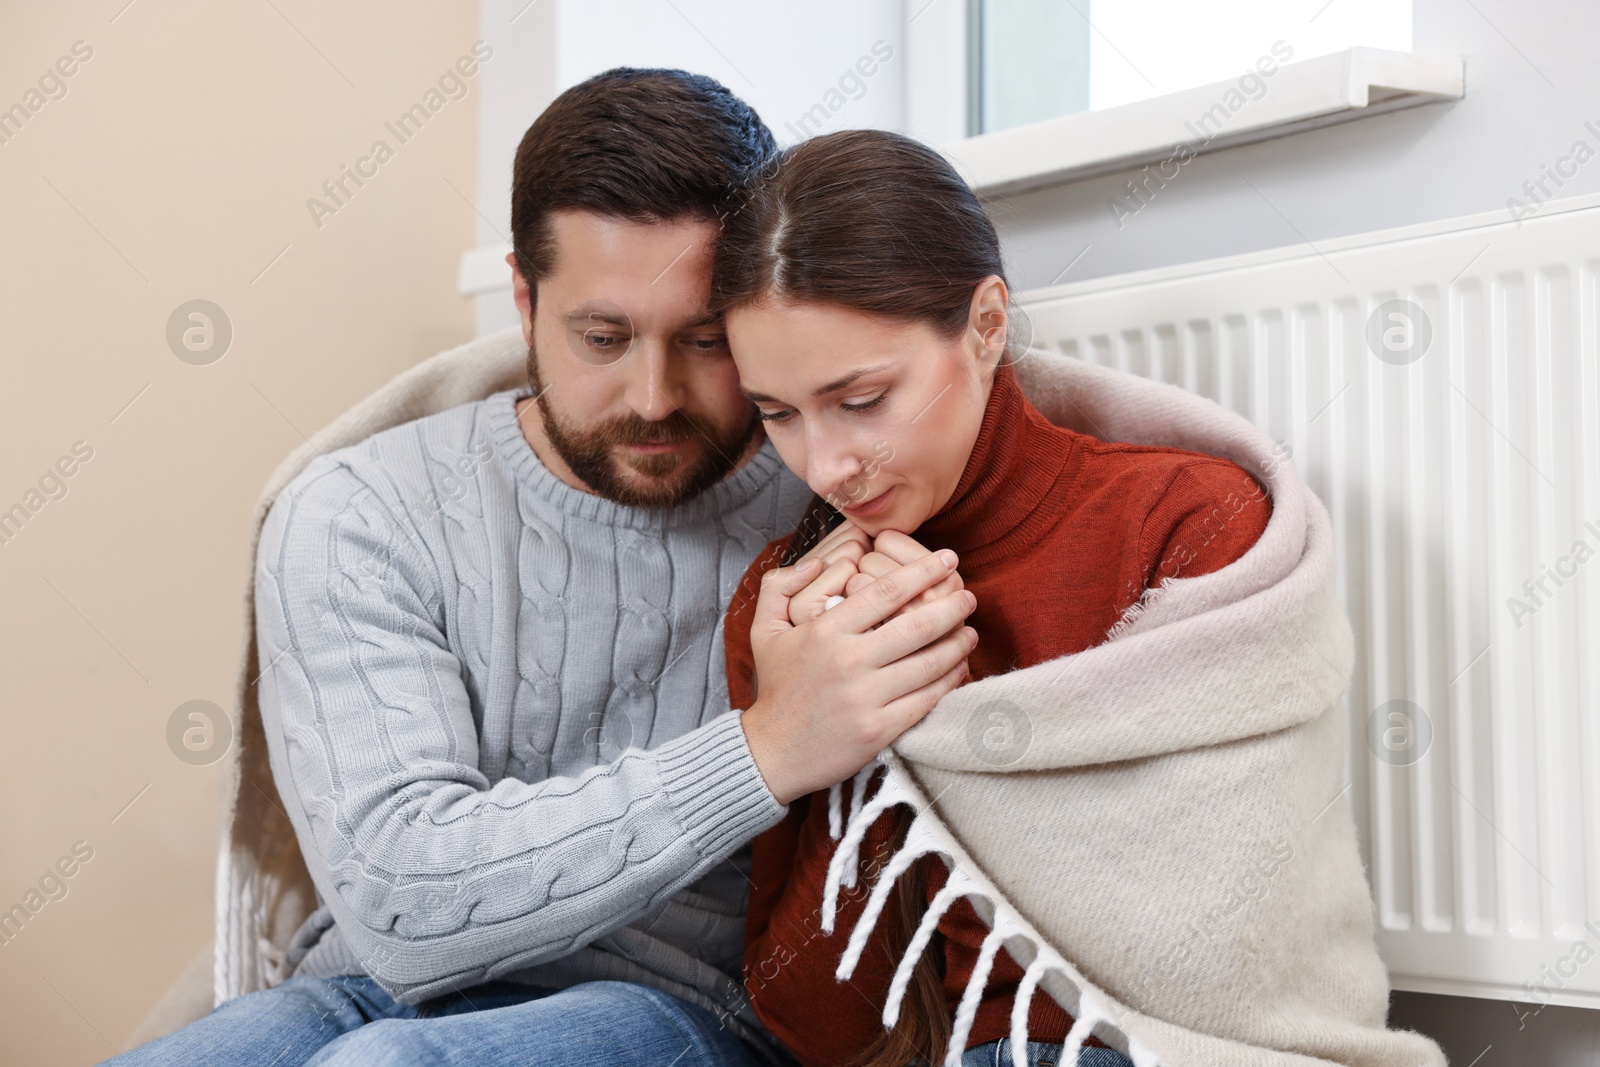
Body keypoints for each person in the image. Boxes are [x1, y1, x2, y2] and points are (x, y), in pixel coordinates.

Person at [102, 72, 976, 1067]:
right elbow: (400, 902)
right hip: (370, 982)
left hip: (684, 1010)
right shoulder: (362, 510)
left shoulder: (832, 494)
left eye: (702, 339)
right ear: (523, 298)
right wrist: (763, 748)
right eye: (602, 338)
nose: (654, 396)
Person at [713, 130, 1272, 1067]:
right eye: (777, 413)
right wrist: (833, 737)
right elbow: (816, 1029)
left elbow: (1190, 969)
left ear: (985, 325)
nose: (824, 464)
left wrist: (953, 703)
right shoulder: (793, 600)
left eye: (861, 399)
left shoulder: (1184, 520)